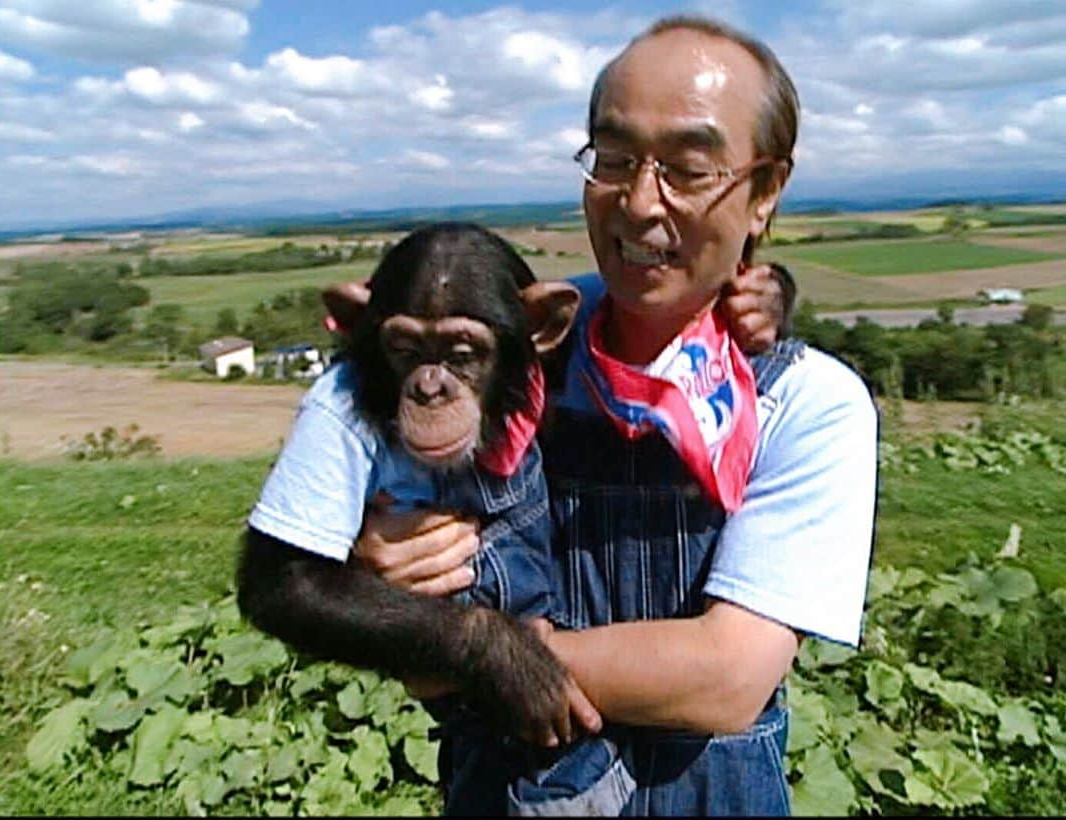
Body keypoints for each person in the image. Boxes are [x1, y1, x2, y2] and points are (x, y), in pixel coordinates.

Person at [351, 14, 878, 817]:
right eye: (615, 159)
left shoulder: (806, 402)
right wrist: (384, 560)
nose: (638, 203)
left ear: (764, 193)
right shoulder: (517, 348)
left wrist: (477, 653)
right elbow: (402, 584)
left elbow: (726, 677)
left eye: (688, 169)